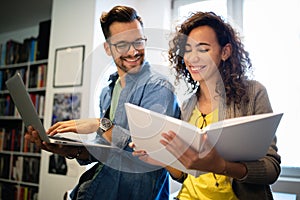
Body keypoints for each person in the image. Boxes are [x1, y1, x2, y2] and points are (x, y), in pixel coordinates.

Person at [26, 5, 180, 200]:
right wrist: (66, 150)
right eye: (122, 44)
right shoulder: (107, 91)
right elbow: (104, 152)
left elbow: (145, 154)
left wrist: (100, 124)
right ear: (108, 48)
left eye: (138, 42)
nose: (133, 51)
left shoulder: (159, 88)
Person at [133, 11, 281, 200]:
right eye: (187, 49)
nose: (192, 58)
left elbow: (271, 169)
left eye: (203, 49)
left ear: (225, 52)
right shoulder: (187, 106)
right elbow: (186, 174)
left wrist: (220, 166)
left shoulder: (253, 94)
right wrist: (161, 160)